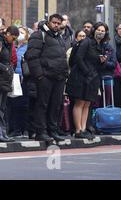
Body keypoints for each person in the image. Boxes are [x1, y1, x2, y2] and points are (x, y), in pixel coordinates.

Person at [25, 14, 69, 143]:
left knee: (55, 105)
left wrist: (64, 74)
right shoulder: (39, 35)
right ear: (49, 22)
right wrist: (39, 75)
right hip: (45, 77)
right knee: (42, 104)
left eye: (58, 23)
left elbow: (62, 57)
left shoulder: (59, 37)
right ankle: (41, 131)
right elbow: (32, 57)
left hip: (59, 77)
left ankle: (53, 130)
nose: (56, 25)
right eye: (54, 22)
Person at [66, 22, 111, 139]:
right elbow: (78, 58)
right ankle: (78, 130)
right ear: (94, 30)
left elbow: (100, 66)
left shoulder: (101, 46)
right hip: (81, 76)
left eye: (103, 31)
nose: (100, 32)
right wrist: (87, 72)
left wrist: (103, 61)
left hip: (93, 78)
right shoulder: (86, 42)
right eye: (98, 30)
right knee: (79, 103)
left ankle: (84, 128)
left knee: (87, 104)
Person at [0, 25, 20, 142]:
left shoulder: (9, 44)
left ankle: (3, 132)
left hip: (5, 80)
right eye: (13, 38)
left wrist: (9, 69)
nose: (14, 41)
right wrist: (5, 68)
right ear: (7, 34)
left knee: (2, 108)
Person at [8, 26, 31, 138]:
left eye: (22, 32)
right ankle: (15, 129)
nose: (20, 34)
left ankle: (25, 129)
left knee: (24, 104)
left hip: (24, 78)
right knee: (14, 105)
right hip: (14, 78)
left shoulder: (28, 47)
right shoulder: (13, 46)